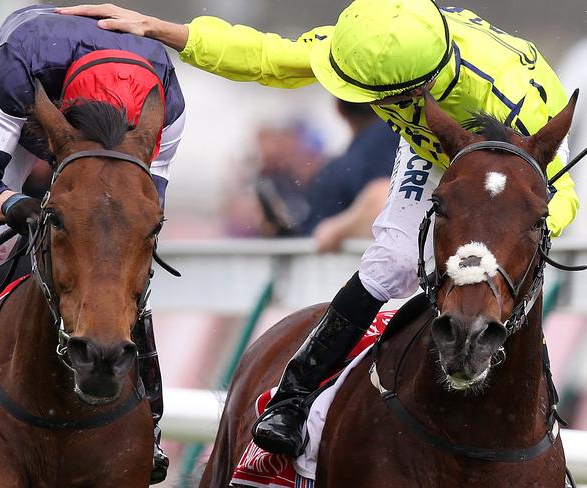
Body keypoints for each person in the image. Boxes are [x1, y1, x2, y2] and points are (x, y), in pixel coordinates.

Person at [58, 0, 580, 457]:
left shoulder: (513, 103)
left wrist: (508, 230)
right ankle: (292, 396)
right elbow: (269, 58)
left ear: (415, 86)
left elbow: (563, 199)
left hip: (514, 167)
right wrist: (161, 29)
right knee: (394, 261)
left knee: (508, 261)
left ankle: (540, 411)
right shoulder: (380, 44)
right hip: (438, 145)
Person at [0, 4, 187, 482]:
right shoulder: (12, 70)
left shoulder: (168, 104)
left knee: (123, 262)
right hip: (27, 100)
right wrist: (14, 205)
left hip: (109, 115)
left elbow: (145, 213)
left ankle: (148, 424)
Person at [301, 100, 398, 251]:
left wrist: (335, 230)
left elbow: (383, 198)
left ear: (338, 108)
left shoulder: (373, 146)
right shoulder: (408, 136)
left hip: (358, 269)